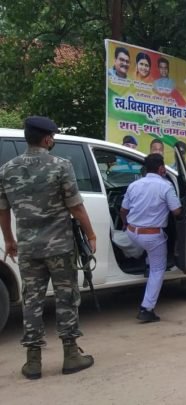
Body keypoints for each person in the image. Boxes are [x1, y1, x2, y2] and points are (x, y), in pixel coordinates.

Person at [0, 116, 97, 379]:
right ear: (46, 139)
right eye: (52, 136)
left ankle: (33, 362)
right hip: (60, 247)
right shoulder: (61, 165)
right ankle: (71, 356)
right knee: (66, 298)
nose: (52, 140)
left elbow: (3, 210)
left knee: (32, 301)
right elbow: (76, 207)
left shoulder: (7, 169)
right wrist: (90, 234)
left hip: (29, 249)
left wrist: (9, 240)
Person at [120, 154, 182, 323]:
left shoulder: (134, 185)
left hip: (132, 232)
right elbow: (176, 211)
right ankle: (147, 309)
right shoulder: (166, 186)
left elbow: (123, 210)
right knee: (158, 269)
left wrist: (125, 224)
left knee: (147, 249)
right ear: (161, 169)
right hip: (152, 236)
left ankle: (146, 263)